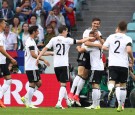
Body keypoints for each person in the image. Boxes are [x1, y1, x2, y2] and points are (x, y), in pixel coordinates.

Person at [36, 25, 93, 109]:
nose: (67, 32)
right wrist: (89, 38)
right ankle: (59, 103)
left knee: (62, 84)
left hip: (56, 66)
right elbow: (81, 41)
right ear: (64, 31)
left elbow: (45, 48)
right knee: (63, 85)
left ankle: (67, 102)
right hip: (64, 65)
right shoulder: (67, 40)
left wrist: (38, 57)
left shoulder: (53, 39)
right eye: (66, 31)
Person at [68, 17, 103, 106]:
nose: (96, 25)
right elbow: (86, 43)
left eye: (98, 23)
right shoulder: (87, 31)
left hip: (91, 54)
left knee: (85, 76)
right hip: (84, 52)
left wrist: (99, 41)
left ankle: (76, 95)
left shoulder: (99, 33)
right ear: (92, 23)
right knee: (80, 73)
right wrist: (97, 44)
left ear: (99, 24)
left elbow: (103, 43)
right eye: (95, 23)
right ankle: (71, 93)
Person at [102, 21, 134, 112]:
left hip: (113, 64)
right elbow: (128, 50)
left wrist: (111, 49)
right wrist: (132, 58)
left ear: (118, 27)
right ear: (126, 29)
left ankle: (111, 89)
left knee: (112, 82)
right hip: (123, 64)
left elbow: (104, 47)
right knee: (122, 85)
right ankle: (120, 105)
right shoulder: (127, 38)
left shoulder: (111, 37)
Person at [21, 25, 50, 108]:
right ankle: (28, 102)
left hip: (33, 66)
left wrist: (51, 53)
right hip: (31, 66)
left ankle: (26, 97)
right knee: (33, 84)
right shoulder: (30, 41)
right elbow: (33, 54)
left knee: (39, 83)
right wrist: (43, 60)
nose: (38, 32)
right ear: (33, 32)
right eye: (37, 31)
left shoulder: (32, 41)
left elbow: (38, 52)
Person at [75, 30, 104, 109]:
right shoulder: (99, 43)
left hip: (96, 67)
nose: (89, 38)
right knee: (96, 85)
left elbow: (82, 49)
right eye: (89, 36)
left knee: (94, 85)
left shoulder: (94, 45)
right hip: (100, 67)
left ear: (95, 37)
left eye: (91, 36)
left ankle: (95, 105)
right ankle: (97, 104)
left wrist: (78, 47)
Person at [0, 18, 17, 108]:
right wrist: (10, 58)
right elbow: (1, 49)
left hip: (2, 61)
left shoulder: (2, 35)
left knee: (9, 80)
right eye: (4, 23)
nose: (5, 25)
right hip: (0, 61)